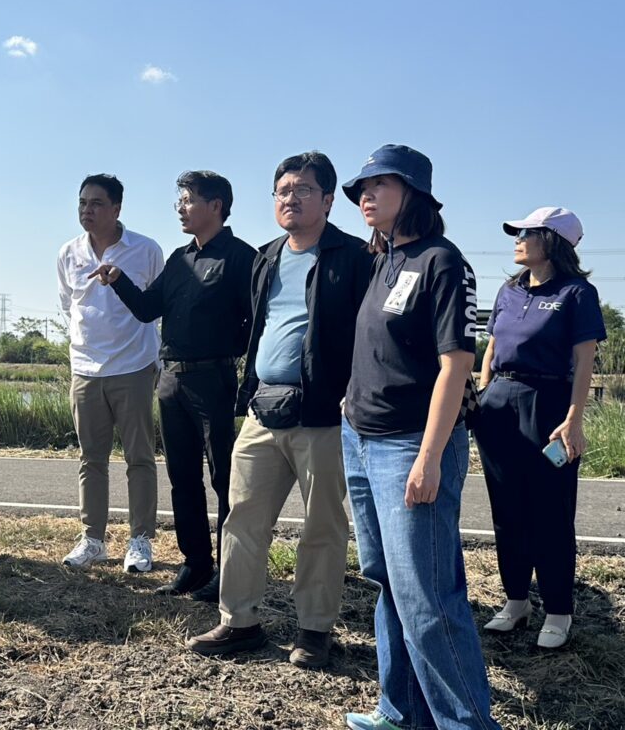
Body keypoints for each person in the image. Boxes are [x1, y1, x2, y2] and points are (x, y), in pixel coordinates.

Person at [186, 152, 372, 668]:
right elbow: (260, 324)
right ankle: (238, 620)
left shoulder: (355, 257)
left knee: (321, 525)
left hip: (324, 413)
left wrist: (352, 394)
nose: (291, 198)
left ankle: (315, 629)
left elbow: (369, 335)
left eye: (303, 190)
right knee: (241, 518)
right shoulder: (266, 256)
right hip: (263, 407)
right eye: (283, 191)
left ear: (328, 200)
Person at [339, 146, 501, 730]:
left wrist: (429, 457)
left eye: (379, 184)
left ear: (414, 194)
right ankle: (402, 711)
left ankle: (467, 724)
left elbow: (456, 365)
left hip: (410, 446)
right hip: (360, 439)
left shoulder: (442, 261)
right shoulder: (384, 259)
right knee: (388, 581)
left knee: (427, 597)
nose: (365, 195)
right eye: (361, 187)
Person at [91, 170, 256, 601]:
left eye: (187, 200)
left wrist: (237, 367)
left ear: (215, 206)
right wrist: (118, 279)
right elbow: (148, 309)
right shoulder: (180, 259)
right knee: (183, 478)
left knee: (224, 478)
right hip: (171, 380)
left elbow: (255, 323)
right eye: (179, 201)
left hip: (214, 380)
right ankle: (195, 565)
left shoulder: (242, 257)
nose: (180, 208)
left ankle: (229, 570)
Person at [475, 207, 605, 649]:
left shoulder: (577, 293)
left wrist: (574, 417)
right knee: (506, 508)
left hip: (548, 403)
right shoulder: (508, 291)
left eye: (526, 232)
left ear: (552, 241)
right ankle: (516, 601)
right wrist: (484, 393)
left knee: (550, 510)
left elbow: (584, 361)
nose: (517, 239)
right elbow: (492, 347)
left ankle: (558, 610)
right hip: (499, 405)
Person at [57, 174, 164, 572]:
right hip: (86, 369)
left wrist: (153, 361)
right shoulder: (68, 252)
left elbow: (156, 305)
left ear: (117, 209)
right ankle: (93, 539)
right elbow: (68, 306)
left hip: (134, 366)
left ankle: (140, 540)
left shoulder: (146, 250)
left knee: (139, 457)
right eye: (82, 202)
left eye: (97, 203)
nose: (87, 210)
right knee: (91, 459)